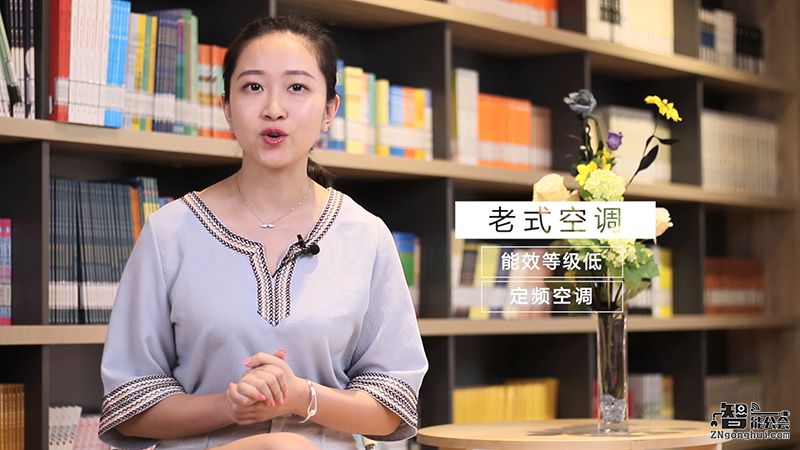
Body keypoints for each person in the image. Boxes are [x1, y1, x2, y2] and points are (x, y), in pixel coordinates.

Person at [99, 16, 428, 450]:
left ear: (330, 110)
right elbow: (129, 406)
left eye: (297, 88)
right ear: (226, 107)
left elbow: (393, 407)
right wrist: (230, 407)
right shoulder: (169, 232)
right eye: (253, 87)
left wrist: (301, 398)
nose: (274, 108)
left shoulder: (365, 235)